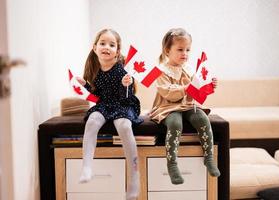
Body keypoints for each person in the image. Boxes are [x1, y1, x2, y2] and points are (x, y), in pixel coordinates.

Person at [76, 29, 143, 200]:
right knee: (92, 121)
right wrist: (85, 85)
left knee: (124, 126)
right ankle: (87, 166)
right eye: (103, 43)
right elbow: (97, 93)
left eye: (112, 45)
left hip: (123, 103)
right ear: (94, 47)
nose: (107, 47)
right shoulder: (96, 69)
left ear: (117, 51)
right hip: (105, 104)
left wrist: (125, 84)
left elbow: (125, 96)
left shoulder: (121, 70)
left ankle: (134, 177)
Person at [150, 28, 220, 185]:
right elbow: (167, 93)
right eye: (180, 49)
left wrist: (209, 85)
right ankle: (172, 164)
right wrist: (186, 88)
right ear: (168, 50)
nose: (185, 53)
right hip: (168, 106)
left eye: (188, 50)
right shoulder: (161, 71)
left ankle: (209, 156)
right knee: (175, 123)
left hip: (188, 105)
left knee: (202, 118)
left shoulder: (189, 70)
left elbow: (197, 90)